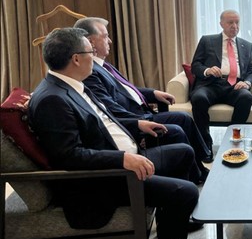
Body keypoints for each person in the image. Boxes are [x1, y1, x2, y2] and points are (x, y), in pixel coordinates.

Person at [28, 28, 201, 239]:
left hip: (120, 158)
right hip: (105, 178)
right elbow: (69, 156)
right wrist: (123, 158)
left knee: (184, 152)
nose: (94, 56)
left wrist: (137, 124)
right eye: (90, 51)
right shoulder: (52, 100)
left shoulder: (70, 85)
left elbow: (103, 121)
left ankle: (171, 222)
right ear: (76, 58)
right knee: (187, 192)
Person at [74, 17, 212, 181]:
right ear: (91, 42)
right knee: (178, 127)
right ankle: (196, 174)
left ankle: (202, 162)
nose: (110, 41)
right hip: (134, 118)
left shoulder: (103, 65)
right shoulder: (91, 72)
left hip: (140, 113)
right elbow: (109, 108)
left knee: (184, 118)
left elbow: (126, 90)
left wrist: (153, 93)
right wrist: (138, 122)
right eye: (105, 36)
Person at [189, 10, 252, 149]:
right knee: (198, 98)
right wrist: (207, 70)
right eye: (230, 22)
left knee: (246, 97)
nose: (234, 26)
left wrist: (246, 83)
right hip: (210, 84)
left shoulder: (247, 45)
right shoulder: (207, 41)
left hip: (234, 86)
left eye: (237, 22)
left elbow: (251, 70)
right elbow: (195, 65)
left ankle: (232, 139)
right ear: (221, 24)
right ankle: (205, 144)